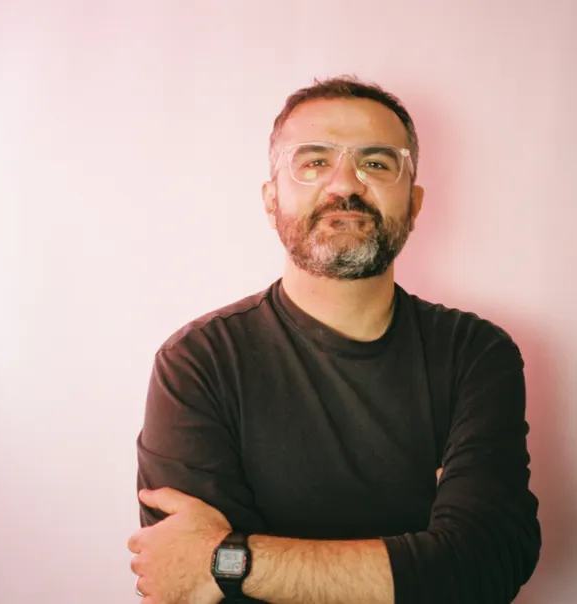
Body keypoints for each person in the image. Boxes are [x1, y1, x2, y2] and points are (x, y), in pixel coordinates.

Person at [127, 75, 541, 604]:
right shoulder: (197, 363)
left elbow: (483, 565)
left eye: (377, 163)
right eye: (315, 161)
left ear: (414, 204)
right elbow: (184, 584)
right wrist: (426, 562)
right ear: (271, 200)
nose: (345, 185)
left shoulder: (476, 354)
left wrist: (228, 560)